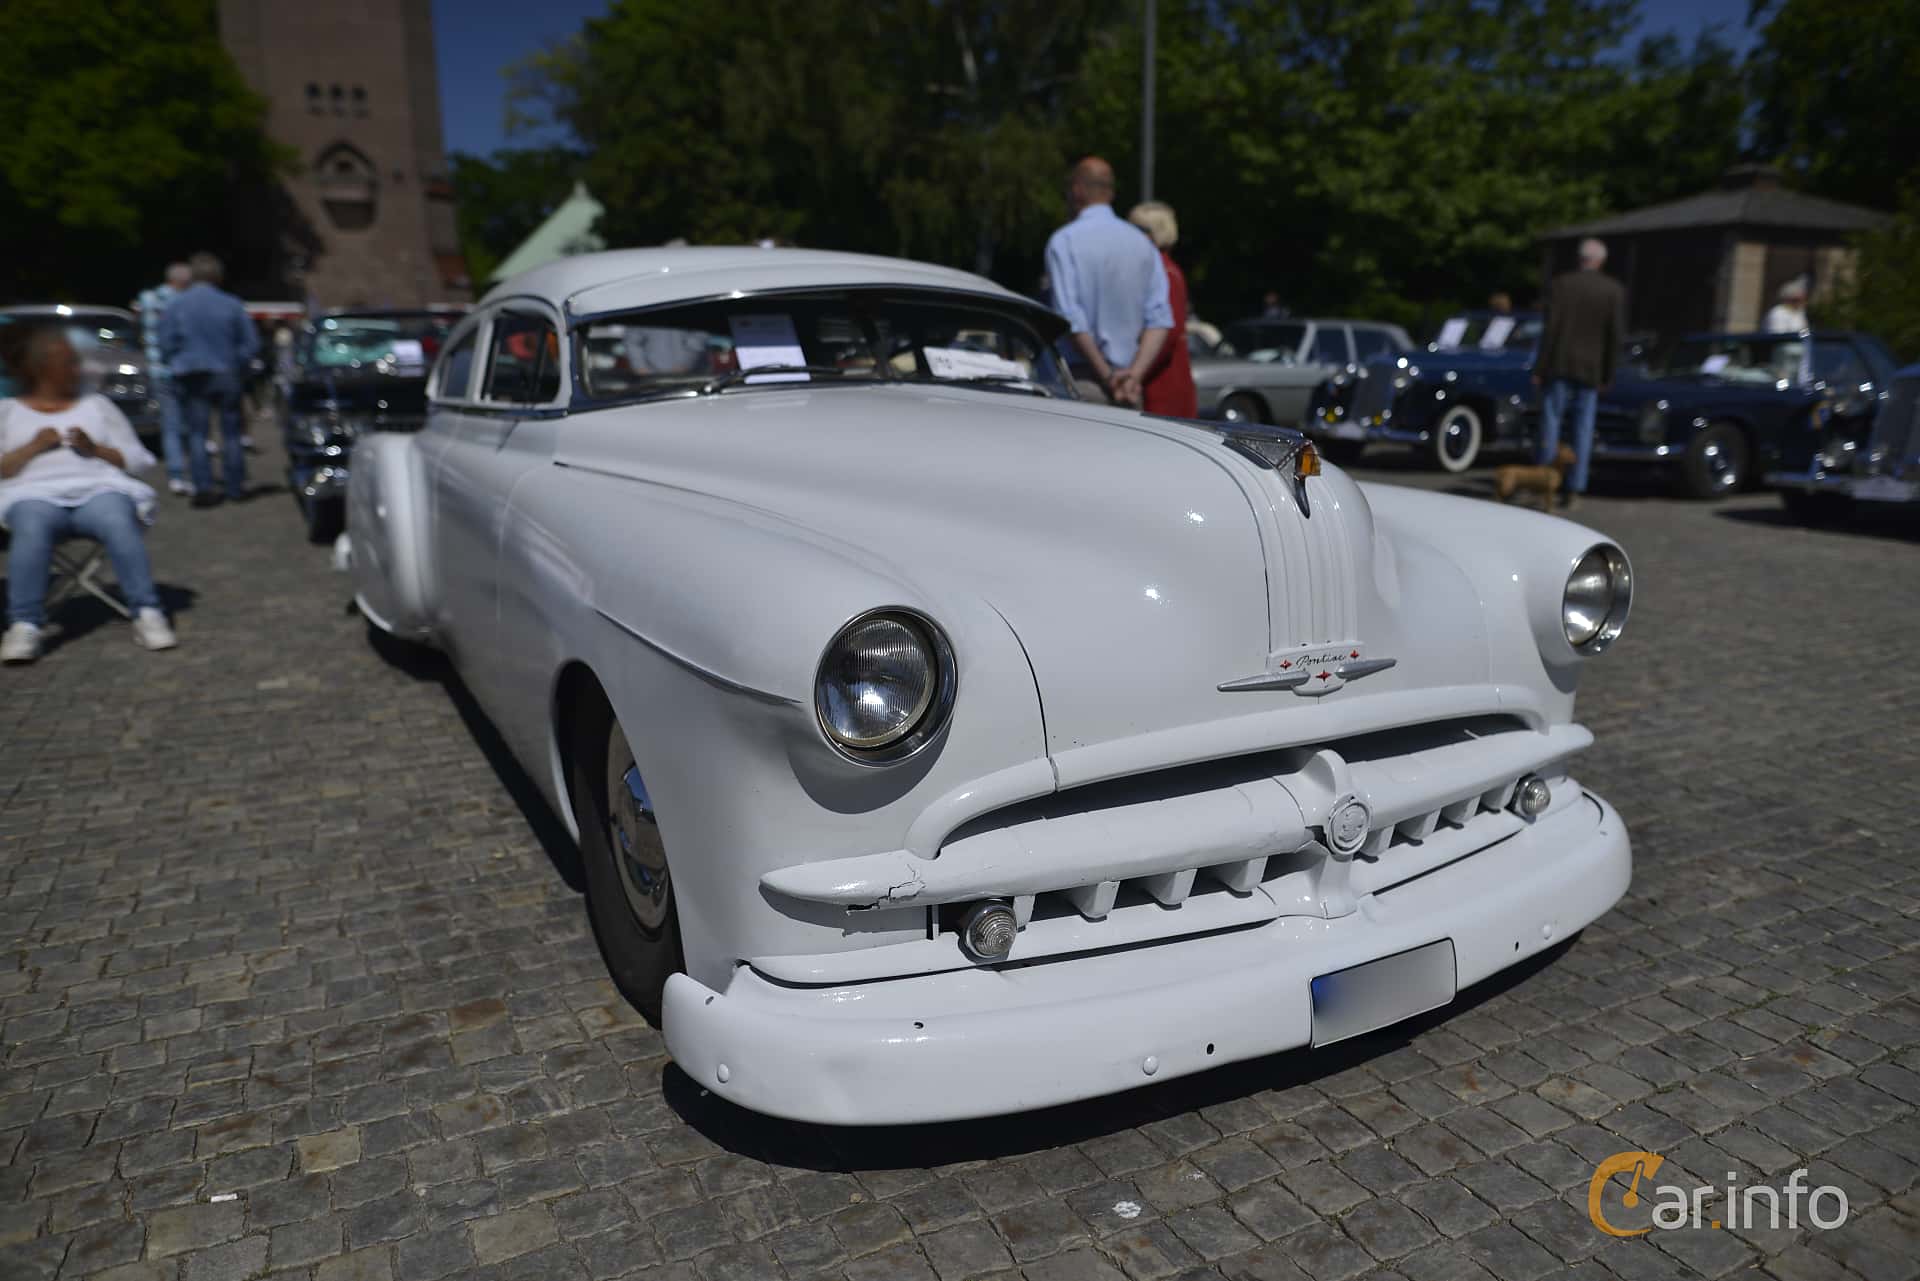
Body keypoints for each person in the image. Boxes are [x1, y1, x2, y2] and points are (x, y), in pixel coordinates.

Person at [1, 327, 177, 663]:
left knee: (117, 519)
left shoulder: (97, 405)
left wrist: (95, 449)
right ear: (41, 369)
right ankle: (24, 623)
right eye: (67, 363)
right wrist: (32, 447)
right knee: (31, 527)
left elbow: (138, 460)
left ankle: (147, 610)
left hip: (98, 489)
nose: (76, 370)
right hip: (31, 493)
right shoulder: (8, 412)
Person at [1044, 156, 1171, 406]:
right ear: (1110, 193)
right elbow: (1160, 320)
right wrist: (1133, 376)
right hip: (1131, 386)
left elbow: (1071, 320)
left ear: (1077, 190)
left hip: (1084, 384)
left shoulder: (1064, 241)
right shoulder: (1143, 244)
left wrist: (1109, 377)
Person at [1531, 237, 1625, 509]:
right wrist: (1608, 374)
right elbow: (1614, 336)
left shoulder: (1562, 285)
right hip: (1592, 368)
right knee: (1583, 429)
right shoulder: (1612, 290)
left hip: (1559, 363)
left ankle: (1545, 482)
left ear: (1580, 258)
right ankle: (1574, 487)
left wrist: (1540, 367)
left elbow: (1551, 330)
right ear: (1600, 261)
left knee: (1551, 423)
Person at [159, 252, 258, 507]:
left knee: (196, 433)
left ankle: (203, 487)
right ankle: (235, 487)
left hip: (191, 373)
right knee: (231, 433)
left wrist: (179, 359)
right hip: (226, 372)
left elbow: (165, 344)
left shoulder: (176, 305)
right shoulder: (231, 304)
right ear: (218, 276)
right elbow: (251, 344)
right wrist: (237, 364)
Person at [1126, 201, 1198, 418]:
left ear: (1151, 234)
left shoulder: (1164, 272)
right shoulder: (1163, 269)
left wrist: (1135, 373)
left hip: (1161, 385)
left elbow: (1167, 333)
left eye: (1135, 230)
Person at [137, 262, 194, 496]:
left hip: (157, 369)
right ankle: (192, 471)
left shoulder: (148, 298)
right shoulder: (186, 301)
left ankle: (176, 474)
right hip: (183, 368)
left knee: (170, 424)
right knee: (189, 424)